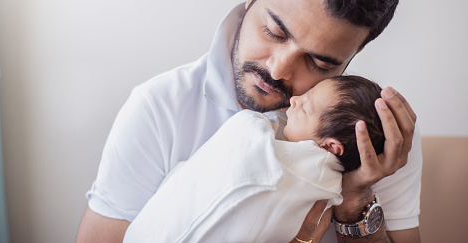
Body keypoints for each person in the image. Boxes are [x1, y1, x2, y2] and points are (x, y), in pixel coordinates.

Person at [77, 0, 421, 243]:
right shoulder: (159, 108)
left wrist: (355, 202)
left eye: (317, 62)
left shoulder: (374, 133)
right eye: (274, 31)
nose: (278, 69)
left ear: (349, 60)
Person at [123, 75, 386, 243]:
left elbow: (249, 163)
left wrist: (257, 121)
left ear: (330, 147)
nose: (294, 100)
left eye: (305, 106)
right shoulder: (156, 101)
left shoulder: (313, 171)